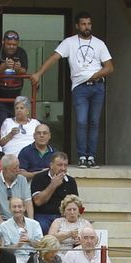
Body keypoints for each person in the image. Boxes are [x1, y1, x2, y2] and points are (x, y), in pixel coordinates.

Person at [33, 12, 113, 168]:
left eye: (89, 24)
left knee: (94, 122)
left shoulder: (99, 43)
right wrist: (38, 73)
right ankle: (82, 156)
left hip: (97, 87)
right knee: (82, 121)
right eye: (83, 24)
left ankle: (91, 157)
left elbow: (110, 67)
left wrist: (93, 76)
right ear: (77, 26)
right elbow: (53, 58)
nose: (86, 27)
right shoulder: (69, 42)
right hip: (79, 88)